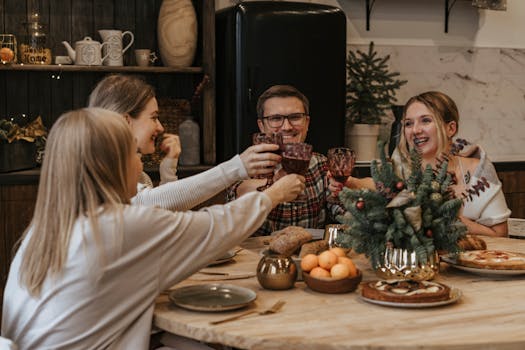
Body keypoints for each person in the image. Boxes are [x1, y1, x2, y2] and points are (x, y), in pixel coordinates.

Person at [1, 108, 305, 349]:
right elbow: (216, 227)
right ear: (111, 165)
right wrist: (273, 195)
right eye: (134, 154)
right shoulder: (119, 225)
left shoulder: (44, 230)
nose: (139, 163)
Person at [88, 74, 281, 211]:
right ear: (126, 120)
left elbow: (161, 218)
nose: (161, 127)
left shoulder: (140, 177)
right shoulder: (96, 173)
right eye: (154, 117)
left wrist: (168, 170)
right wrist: (236, 167)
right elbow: (145, 204)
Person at [331, 91, 510, 237]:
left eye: (426, 120)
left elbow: (500, 235)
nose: (415, 130)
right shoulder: (402, 167)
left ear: (451, 128)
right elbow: (381, 185)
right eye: (408, 123)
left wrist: (450, 220)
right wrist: (350, 182)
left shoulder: (478, 171)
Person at [226, 85, 345, 236]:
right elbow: (236, 196)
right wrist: (274, 183)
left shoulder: (321, 164)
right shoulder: (246, 164)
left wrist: (352, 197)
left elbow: (341, 210)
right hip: (254, 257)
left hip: (308, 256)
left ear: (307, 123)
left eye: (295, 117)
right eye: (276, 119)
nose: (287, 127)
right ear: (261, 126)